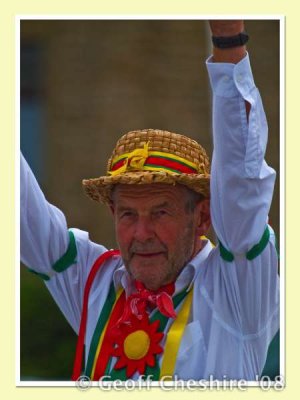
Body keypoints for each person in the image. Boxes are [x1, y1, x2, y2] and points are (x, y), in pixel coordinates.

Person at [20, 20, 279, 382]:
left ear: (203, 217)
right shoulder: (97, 283)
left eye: (161, 212)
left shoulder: (235, 290)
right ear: (111, 213)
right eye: (128, 213)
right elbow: (19, 209)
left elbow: (242, 185)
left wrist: (229, 41)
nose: (142, 233)